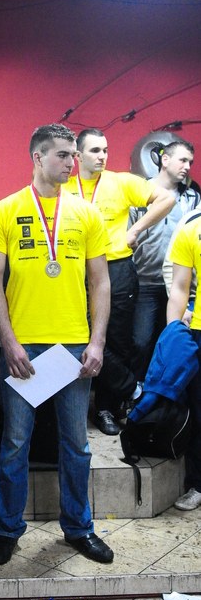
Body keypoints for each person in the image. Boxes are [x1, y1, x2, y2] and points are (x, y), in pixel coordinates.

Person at [0, 123, 113, 565]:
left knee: (77, 444)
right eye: (62, 155)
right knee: (15, 443)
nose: (71, 162)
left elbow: (101, 283)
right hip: (24, 348)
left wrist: (97, 342)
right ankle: (7, 530)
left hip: (74, 349)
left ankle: (79, 528)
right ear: (38, 157)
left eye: (73, 155)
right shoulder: (5, 210)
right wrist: (9, 342)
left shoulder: (86, 214)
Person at [66, 128, 175, 436]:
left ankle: (106, 408)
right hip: (76, 270)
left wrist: (135, 230)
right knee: (81, 335)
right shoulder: (64, 187)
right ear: (78, 155)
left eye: (105, 150)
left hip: (116, 267)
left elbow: (165, 199)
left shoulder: (121, 182)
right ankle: (130, 389)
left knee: (117, 340)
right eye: (95, 151)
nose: (102, 156)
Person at [130, 140, 199, 381]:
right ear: (165, 160)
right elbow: (127, 235)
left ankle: (167, 395)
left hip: (182, 285)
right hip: (145, 281)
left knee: (175, 342)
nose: (187, 166)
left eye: (190, 162)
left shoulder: (193, 198)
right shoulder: (139, 192)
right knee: (141, 343)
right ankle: (136, 392)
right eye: (183, 160)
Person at [167, 211, 201, 511]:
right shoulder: (193, 229)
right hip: (199, 330)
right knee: (199, 412)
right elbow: (179, 286)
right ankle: (197, 484)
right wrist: (172, 333)